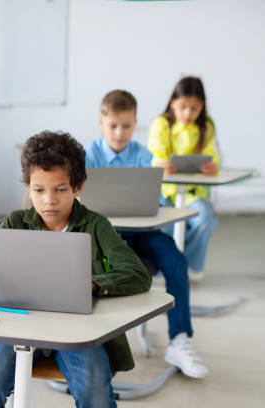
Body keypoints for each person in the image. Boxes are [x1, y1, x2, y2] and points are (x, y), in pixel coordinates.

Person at [0, 130, 151, 408]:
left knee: (96, 390)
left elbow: (137, 273)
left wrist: (94, 284)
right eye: (38, 190)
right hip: (20, 330)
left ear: (78, 187)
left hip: (78, 332)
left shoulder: (96, 226)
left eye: (60, 189)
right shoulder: (15, 222)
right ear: (28, 187)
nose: (48, 200)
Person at [85, 89, 208, 378]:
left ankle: (179, 340)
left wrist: (156, 196)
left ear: (135, 123)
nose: (120, 132)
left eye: (127, 126)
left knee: (176, 261)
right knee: (97, 269)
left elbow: (158, 202)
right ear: (101, 123)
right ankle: (97, 345)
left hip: (143, 232)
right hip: (107, 237)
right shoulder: (88, 155)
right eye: (113, 125)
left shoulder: (144, 155)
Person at [148, 76, 220, 282]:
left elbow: (212, 154)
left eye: (194, 108)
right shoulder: (161, 124)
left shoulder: (206, 125)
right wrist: (161, 164)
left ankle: (191, 266)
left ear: (202, 106)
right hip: (164, 191)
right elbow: (155, 155)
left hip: (193, 192)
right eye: (183, 107)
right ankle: (164, 266)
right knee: (166, 224)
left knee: (206, 218)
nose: (188, 113)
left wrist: (211, 166)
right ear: (173, 103)